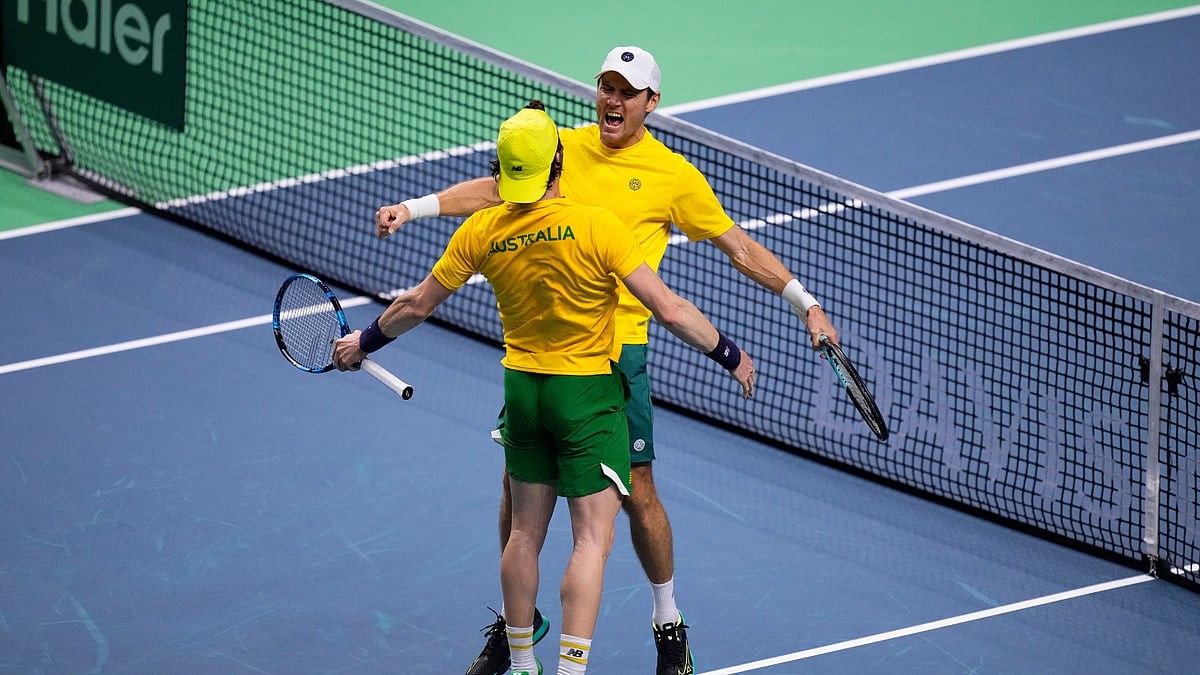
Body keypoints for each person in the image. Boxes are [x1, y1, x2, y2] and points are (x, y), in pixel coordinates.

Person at [376, 46, 838, 675]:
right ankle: (522, 623)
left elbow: (737, 246)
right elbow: (492, 189)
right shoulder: (561, 146)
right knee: (516, 491)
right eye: (605, 88)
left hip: (619, 353)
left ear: (652, 102)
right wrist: (417, 207)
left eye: (627, 91)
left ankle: (667, 619)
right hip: (548, 348)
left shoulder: (673, 174)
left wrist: (803, 302)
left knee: (637, 493)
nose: (612, 101)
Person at [335, 101, 754, 675]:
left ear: (505, 171)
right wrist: (728, 353)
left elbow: (416, 305)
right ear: (559, 162)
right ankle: (569, 671)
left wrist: (364, 342)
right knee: (590, 542)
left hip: (523, 394)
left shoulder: (481, 231)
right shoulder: (596, 225)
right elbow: (671, 310)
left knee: (524, 534)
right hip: (587, 398)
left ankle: (525, 663)